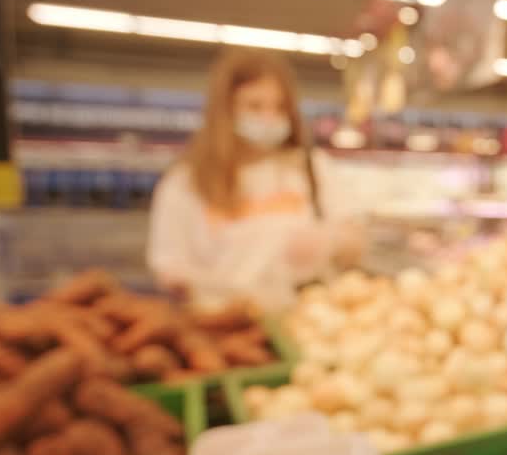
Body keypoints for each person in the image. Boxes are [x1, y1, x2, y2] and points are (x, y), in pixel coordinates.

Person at [147, 48, 363, 310]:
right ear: (225, 109)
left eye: (279, 106)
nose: (269, 117)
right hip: (222, 325)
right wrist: (215, 287)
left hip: (302, 323)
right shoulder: (185, 182)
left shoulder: (312, 167)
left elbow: (356, 239)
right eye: (254, 106)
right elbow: (168, 268)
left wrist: (331, 241)